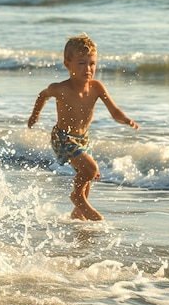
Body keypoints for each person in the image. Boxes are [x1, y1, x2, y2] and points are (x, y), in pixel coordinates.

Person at [28, 33, 139, 221]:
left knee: (88, 175)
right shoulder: (61, 88)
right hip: (63, 137)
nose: (87, 68)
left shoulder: (97, 87)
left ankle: (78, 212)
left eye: (92, 63)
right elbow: (43, 95)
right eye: (81, 63)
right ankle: (77, 197)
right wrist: (35, 115)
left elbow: (114, 110)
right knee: (90, 169)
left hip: (83, 138)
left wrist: (126, 120)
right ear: (67, 64)